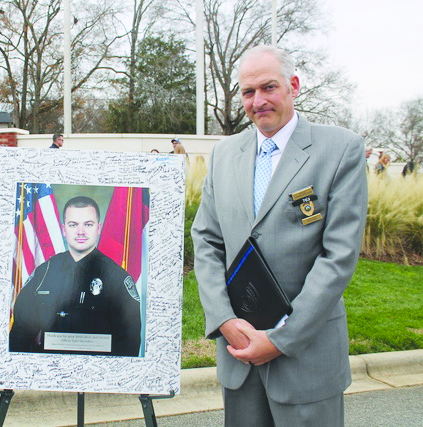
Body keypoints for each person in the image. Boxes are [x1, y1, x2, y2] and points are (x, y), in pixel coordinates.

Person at [191, 45, 367, 427]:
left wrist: (281, 340)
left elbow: (338, 256)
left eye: (269, 88)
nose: (258, 101)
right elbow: (206, 240)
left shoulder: (341, 149)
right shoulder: (223, 154)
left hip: (307, 360)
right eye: (248, 92)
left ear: (294, 85)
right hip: (239, 355)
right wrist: (223, 319)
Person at [9, 196, 141, 357]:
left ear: (98, 228)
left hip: (98, 374)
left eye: (88, 224)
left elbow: (129, 342)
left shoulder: (118, 279)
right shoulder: (43, 274)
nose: (81, 232)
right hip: (48, 370)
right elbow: (20, 333)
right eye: (73, 225)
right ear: (64, 230)